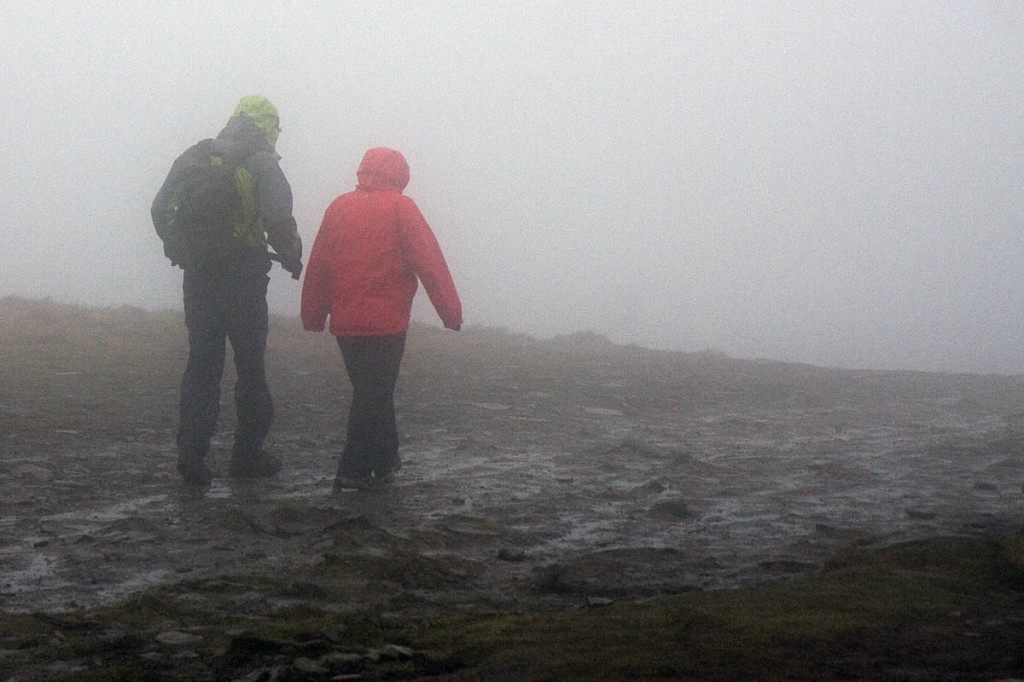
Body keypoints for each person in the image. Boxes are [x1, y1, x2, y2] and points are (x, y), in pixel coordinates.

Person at [151, 95, 303, 487]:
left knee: (202, 363)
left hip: (199, 276)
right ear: (267, 126)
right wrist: (292, 257)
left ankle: (191, 451)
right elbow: (279, 220)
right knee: (250, 367)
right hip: (244, 279)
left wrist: (179, 249)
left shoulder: (195, 156)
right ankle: (247, 454)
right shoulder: (261, 161)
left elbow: (159, 210)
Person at [301, 147, 462, 492]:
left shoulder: (338, 206)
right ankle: (353, 469)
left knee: (372, 390)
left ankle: (385, 460)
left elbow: (319, 264)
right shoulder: (401, 208)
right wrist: (450, 312)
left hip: (346, 323)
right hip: (387, 324)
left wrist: (313, 314)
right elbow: (430, 262)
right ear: (400, 176)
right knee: (373, 393)